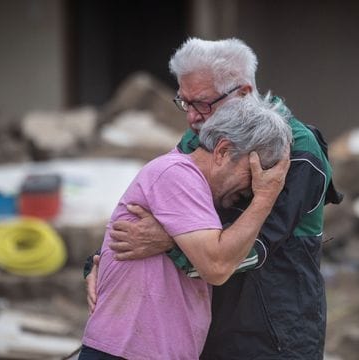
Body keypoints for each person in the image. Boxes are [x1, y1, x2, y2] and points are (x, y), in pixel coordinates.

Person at [84, 38, 343, 359]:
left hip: (275, 335)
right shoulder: (199, 139)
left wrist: (169, 240)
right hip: (209, 328)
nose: (192, 117)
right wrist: (103, 259)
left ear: (245, 94)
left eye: (203, 103)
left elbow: (251, 249)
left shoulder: (295, 151)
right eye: (184, 102)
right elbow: (155, 204)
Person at [79, 96, 292, 360]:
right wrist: (265, 197)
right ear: (223, 151)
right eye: (252, 174)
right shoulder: (177, 175)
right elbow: (216, 266)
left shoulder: (192, 185)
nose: (252, 188)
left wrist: (169, 240)